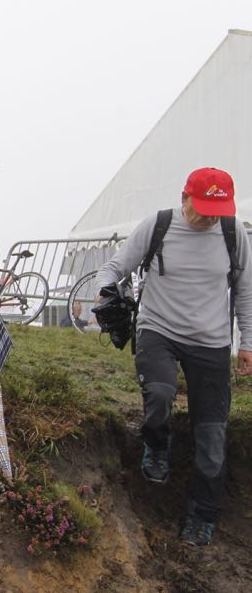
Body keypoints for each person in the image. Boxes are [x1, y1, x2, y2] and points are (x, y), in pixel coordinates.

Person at [94, 167, 252, 547]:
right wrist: (105, 291)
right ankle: (157, 444)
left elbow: (245, 289)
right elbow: (115, 267)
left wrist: (247, 342)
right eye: (202, 208)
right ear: (184, 198)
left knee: (212, 437)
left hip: (211, 341)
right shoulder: (159, 225)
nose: (210, 216)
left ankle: (203, 516)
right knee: (161, 395)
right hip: (159, 329)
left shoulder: (234, 233)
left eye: (218, 209)